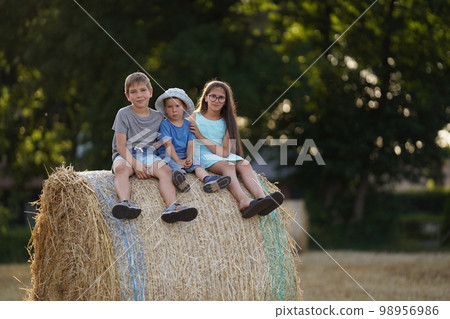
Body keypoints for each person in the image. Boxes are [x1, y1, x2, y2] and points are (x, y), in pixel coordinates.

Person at [188, 80, 284, 218]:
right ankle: (243, 200)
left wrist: (200, 135)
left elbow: (225, 152)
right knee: (228, 166)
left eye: (221, 97)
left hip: (221, 154)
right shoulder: (194, 117)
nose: (216, 100)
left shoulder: (227, 121)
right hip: (202, 155)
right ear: (205, 98)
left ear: (226, 101)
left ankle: (262, 200)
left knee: (244, 164)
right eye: (212, 96)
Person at [111, 72, 198, 223]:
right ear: (127, 96)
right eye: (133, 92)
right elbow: (120, 146)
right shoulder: (123, 114)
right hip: (126, 154)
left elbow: (174, 128)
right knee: (121, 169)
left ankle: (172, 206)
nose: (139, 95)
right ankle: (125, 203)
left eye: (143, 90)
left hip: (149, 155)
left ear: (150, 92)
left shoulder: (158, 117)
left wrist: (193, 132)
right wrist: (136, 164)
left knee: (165, 170)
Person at [155, 88, 231, 193]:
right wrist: (178, 160)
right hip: (169, 155)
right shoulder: (165, 124)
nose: (174, 110)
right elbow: (168, 144)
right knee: (173, 166)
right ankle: (180, 181)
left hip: (184, 154)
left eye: (178, 106)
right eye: (170, 106)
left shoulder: (188, 124)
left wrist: (189, 158)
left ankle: (207, 180)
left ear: (184, 107)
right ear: (165, 109)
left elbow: (191, 144)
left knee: (197, 164)